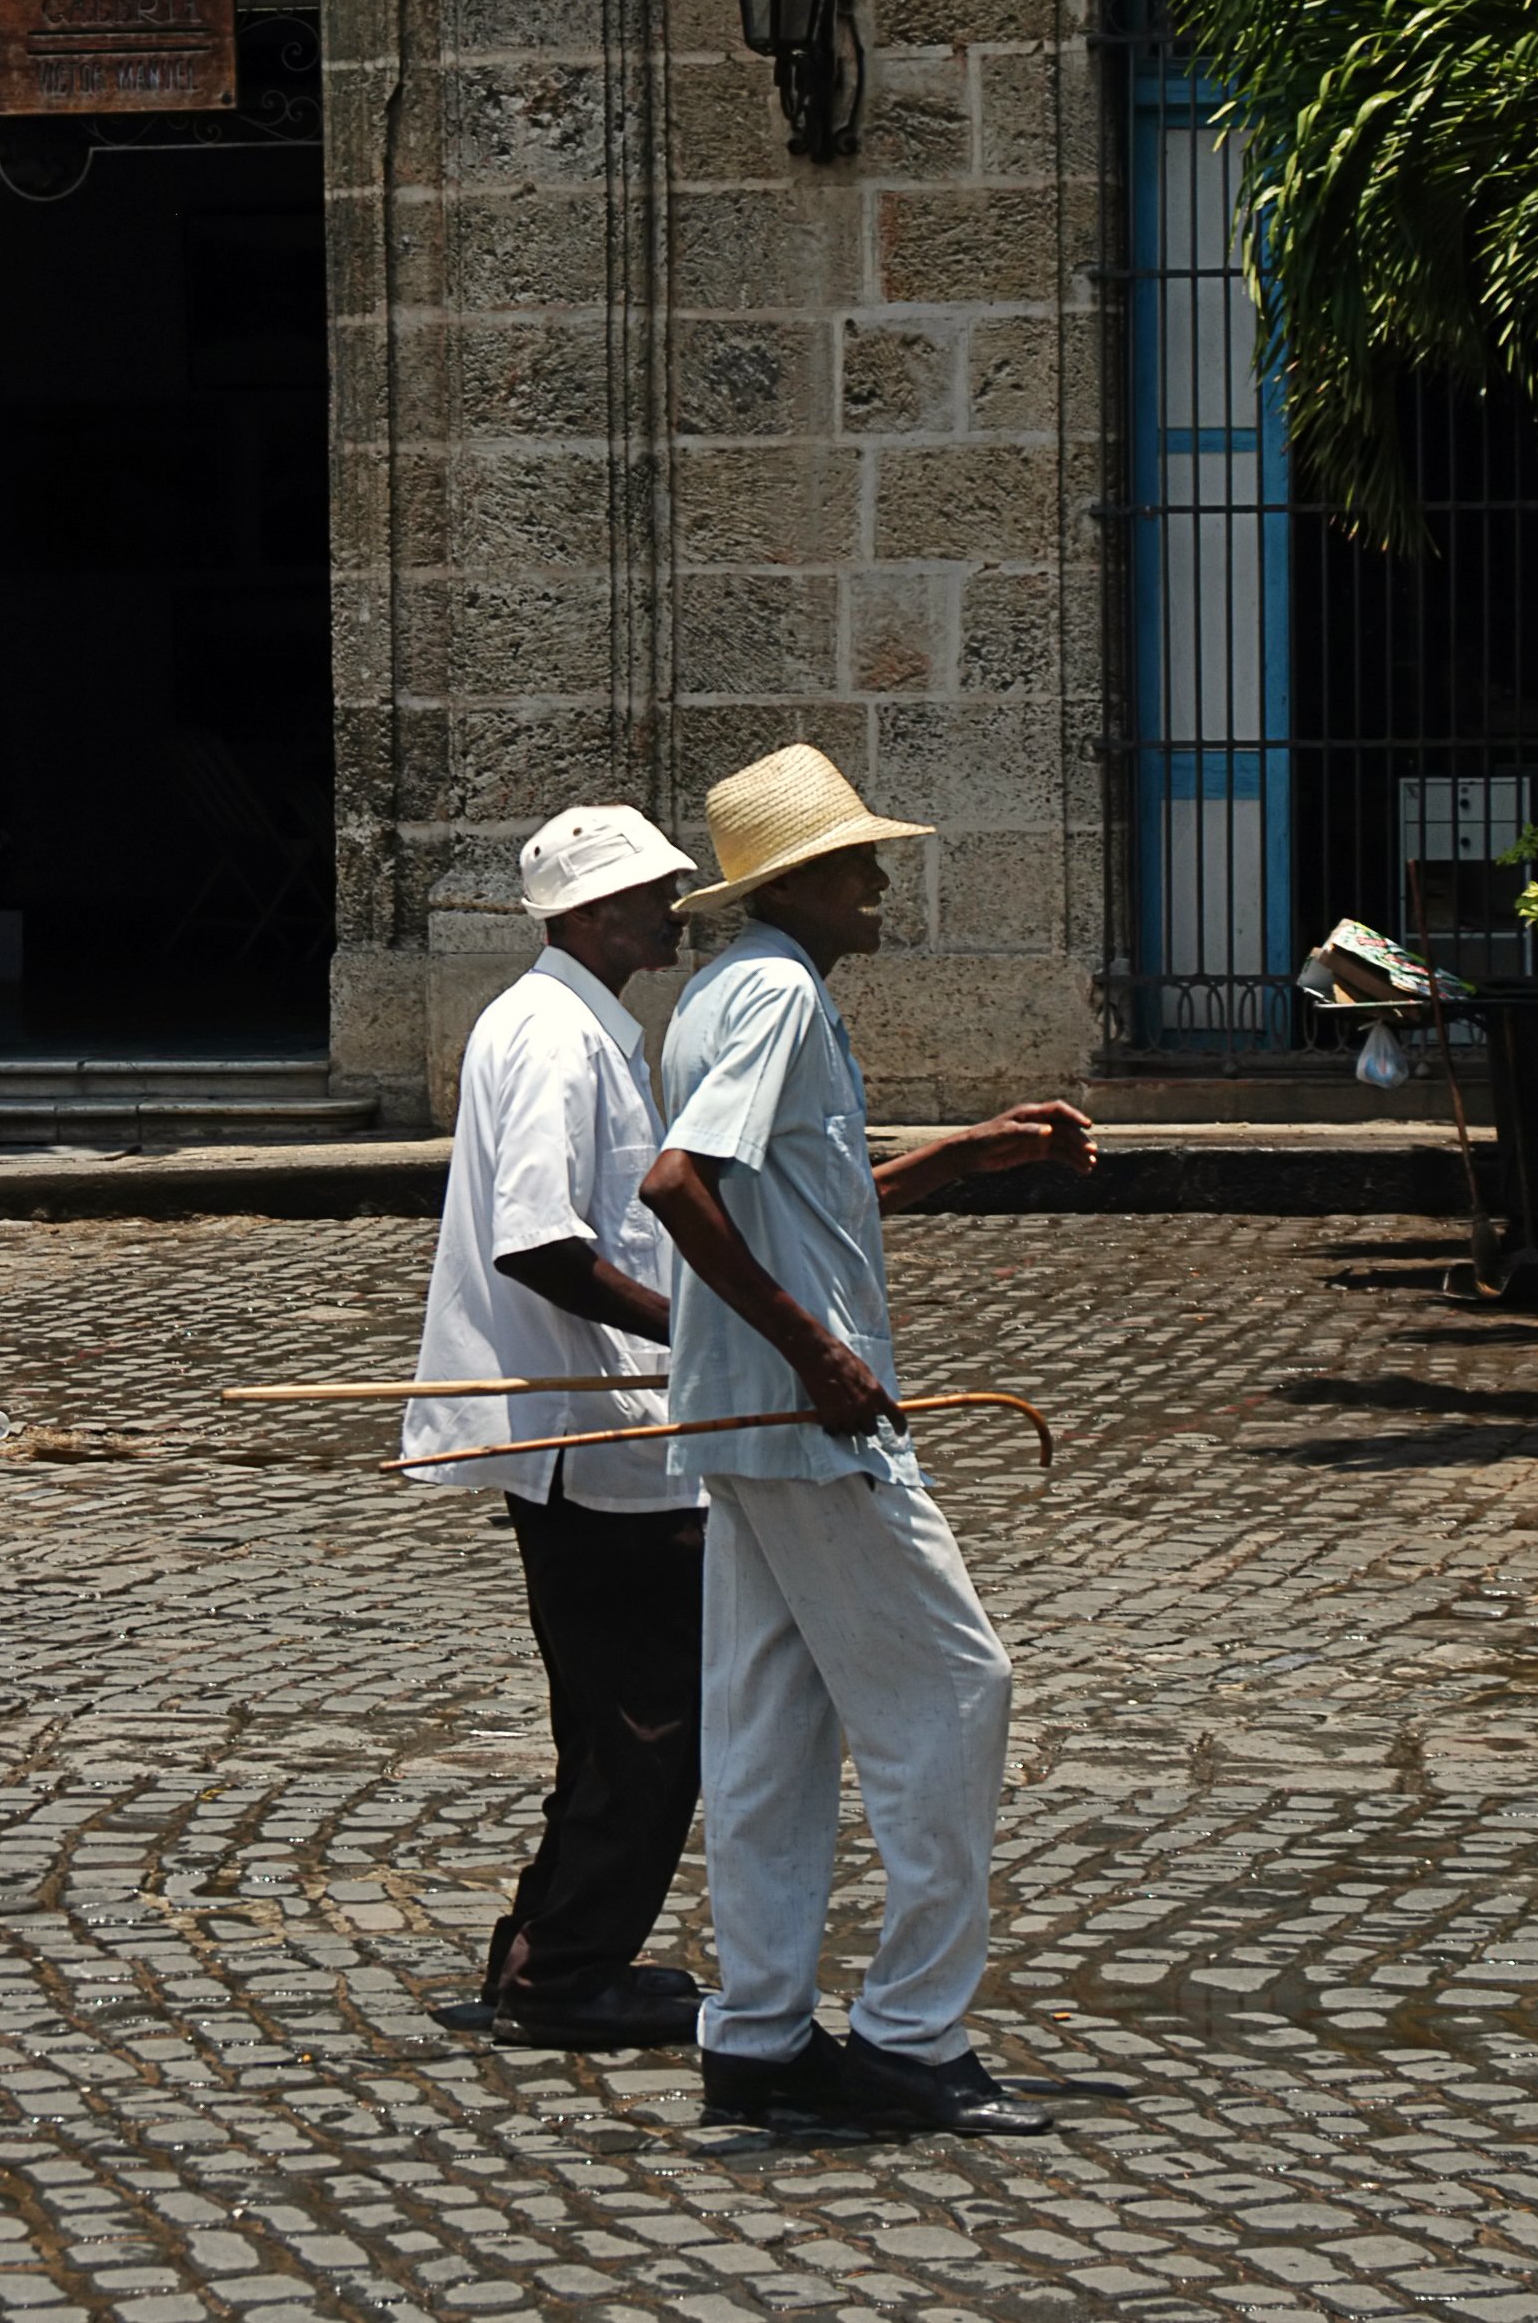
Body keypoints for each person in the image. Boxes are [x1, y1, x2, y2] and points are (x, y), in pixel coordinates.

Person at [641, 743, 1095, 2134]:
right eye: (856, 864)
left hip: (748, 1423)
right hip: (799, 1418)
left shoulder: (730, 990)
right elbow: (681, 1188)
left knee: (771, 1734)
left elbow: (798, 1202)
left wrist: (960, 1157)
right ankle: (910, 2037)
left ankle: (761, 2037)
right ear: (797, 883)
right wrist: (819, 1352)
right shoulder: (774, 990)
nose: (881, 882)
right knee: (960, 1689)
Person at [400, 801, 707, 2052]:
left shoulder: (575, 1020)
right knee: (651, 1723)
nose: (670, 910)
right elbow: (540, 1244)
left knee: (609, 1719)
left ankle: (540, 1954)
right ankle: (565, 1976)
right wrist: (694, 1334)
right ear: (587, 914)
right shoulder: (550, 1035)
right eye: (649, 894)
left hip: (598, 1424)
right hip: (596, 1430)